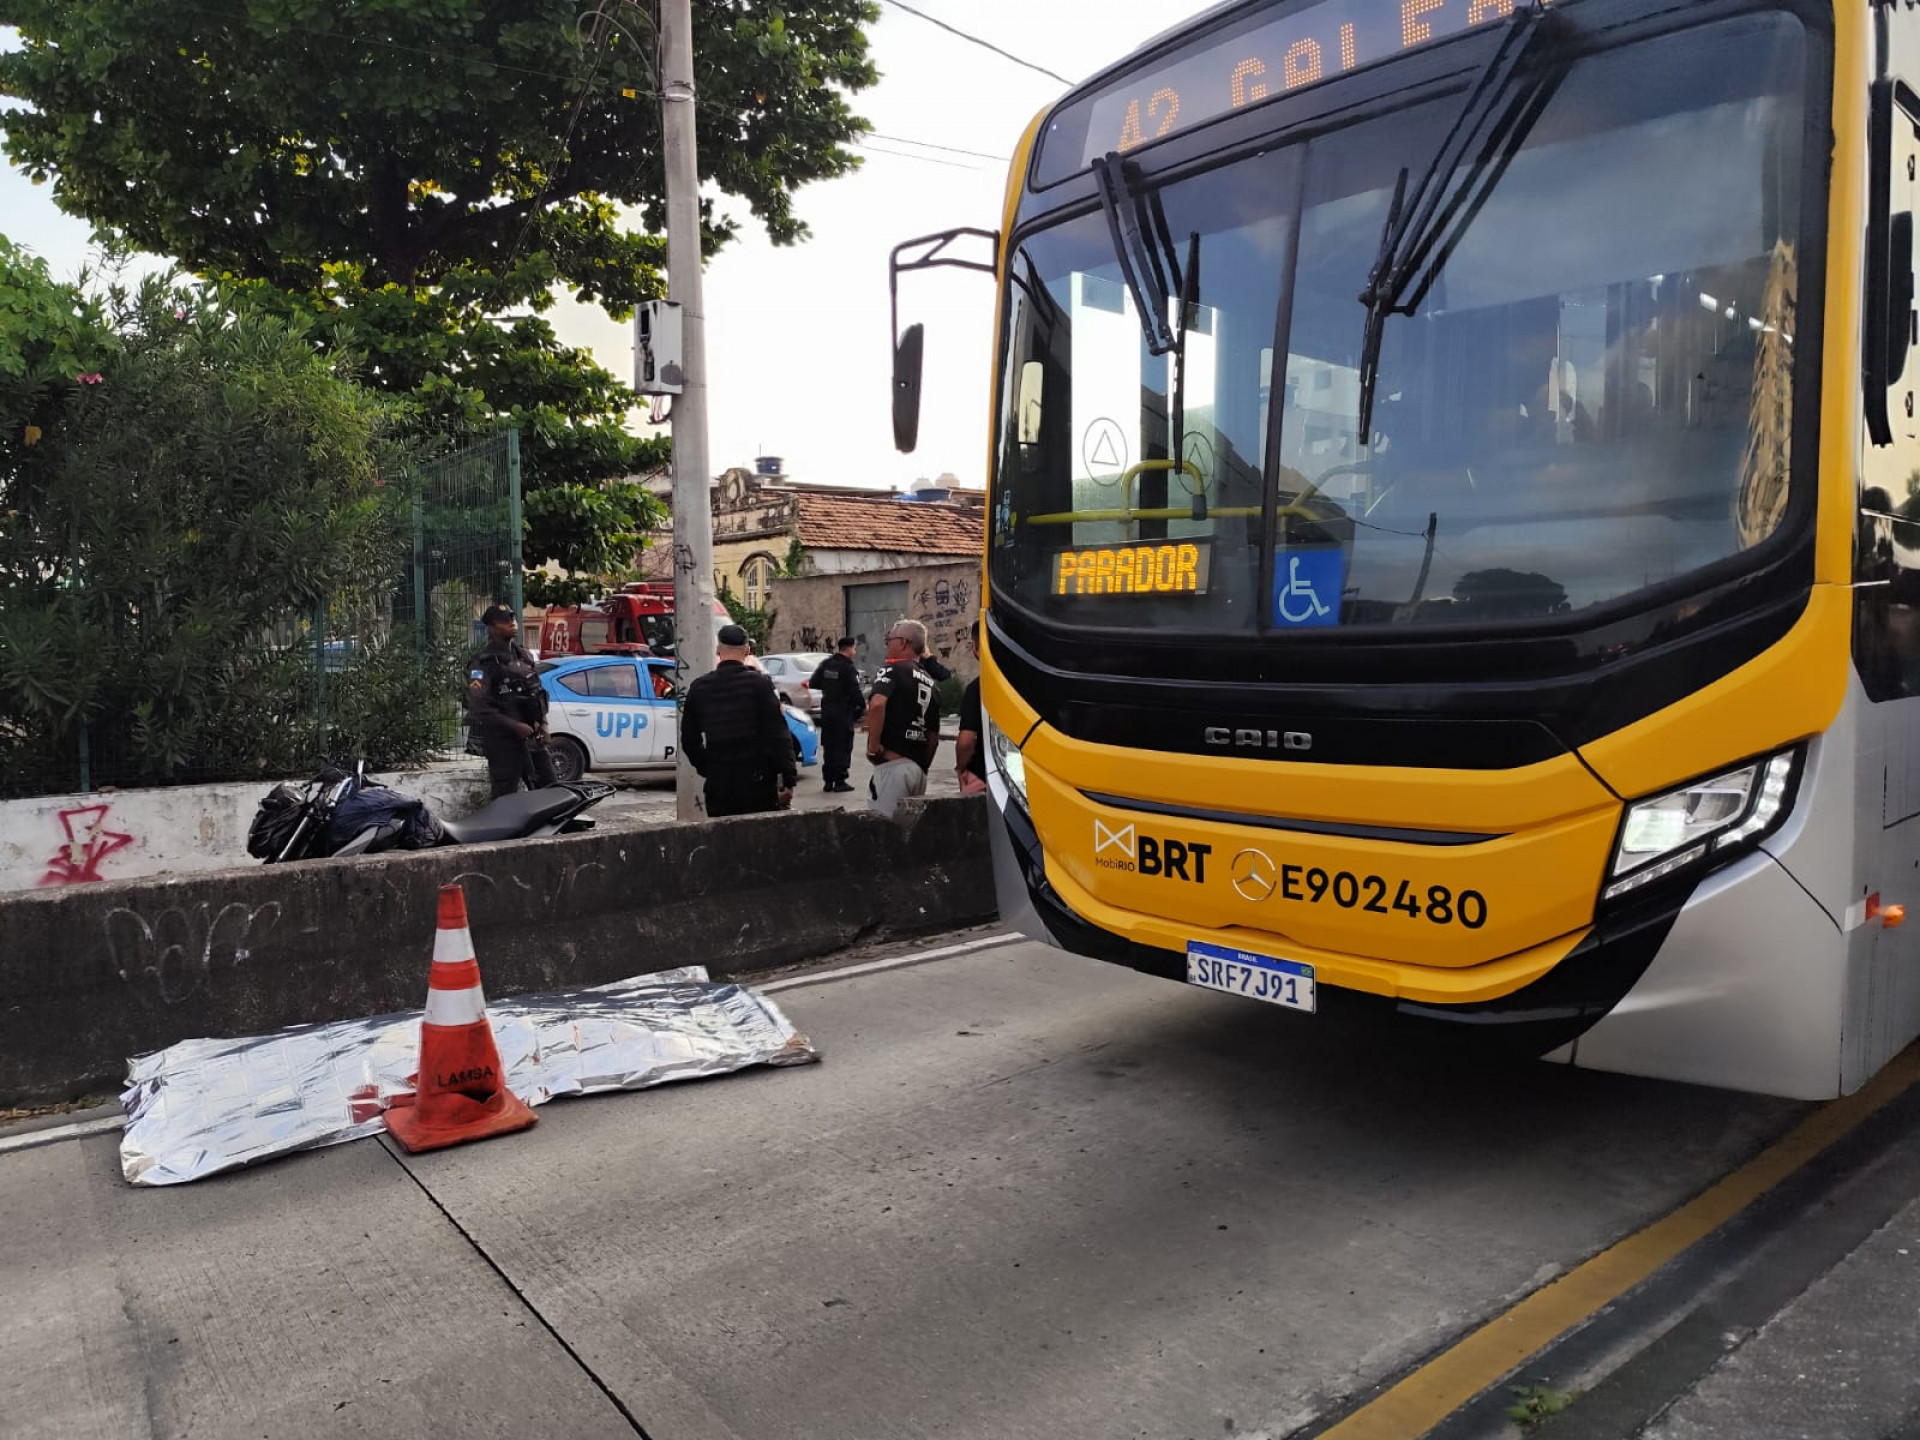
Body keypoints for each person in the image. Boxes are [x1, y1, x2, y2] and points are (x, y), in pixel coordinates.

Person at [683, 623, 797, 817]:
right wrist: (788, 779)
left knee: (723, 841)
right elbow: (779, 734)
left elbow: (689, 740)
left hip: (719, 783)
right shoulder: (760, 685)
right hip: (757, 781)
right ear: (747, 651)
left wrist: (709, 769)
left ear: (718, 650)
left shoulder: (699, 688)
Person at [466, 603, 557, 799]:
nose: (512, 623)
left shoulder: (523, 657)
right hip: (503, 742)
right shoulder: (482, 664)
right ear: (491, 628)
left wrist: (543, 725)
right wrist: (515, 727)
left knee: (551, 791)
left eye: (513, 618)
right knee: (505, 797)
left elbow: (537, 694)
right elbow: (479, 707)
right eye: (504, 620)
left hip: (532, 736)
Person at [865, 617, 941, 821]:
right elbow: (933, 736)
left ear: (903, 643)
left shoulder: (892, 669)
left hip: (893, 766)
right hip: (917, 770)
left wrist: (873, 747)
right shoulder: (931, 683)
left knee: (885, 833)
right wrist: (922, 768)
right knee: (910, 835)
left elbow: (877, 704)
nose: (887, 645)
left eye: (889, 639)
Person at [810, 637, 865, 793]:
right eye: (854, 648)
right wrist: (863, 705)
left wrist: (829, 688)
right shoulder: (848, 668)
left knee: (829, 745)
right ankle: (840, 781)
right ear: (849, 649)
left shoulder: (827, 664)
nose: (854, 651)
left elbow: (813, 682)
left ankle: (828, 782)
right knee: (843, 745)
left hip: (827, 709)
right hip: (843, 710)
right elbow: (854, 691)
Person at [953, 621, 988, 796]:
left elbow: (966, 742)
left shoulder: (978, 688)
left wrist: (961, 767)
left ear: (976, 648)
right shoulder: (1028, 683)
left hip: (982, 776)